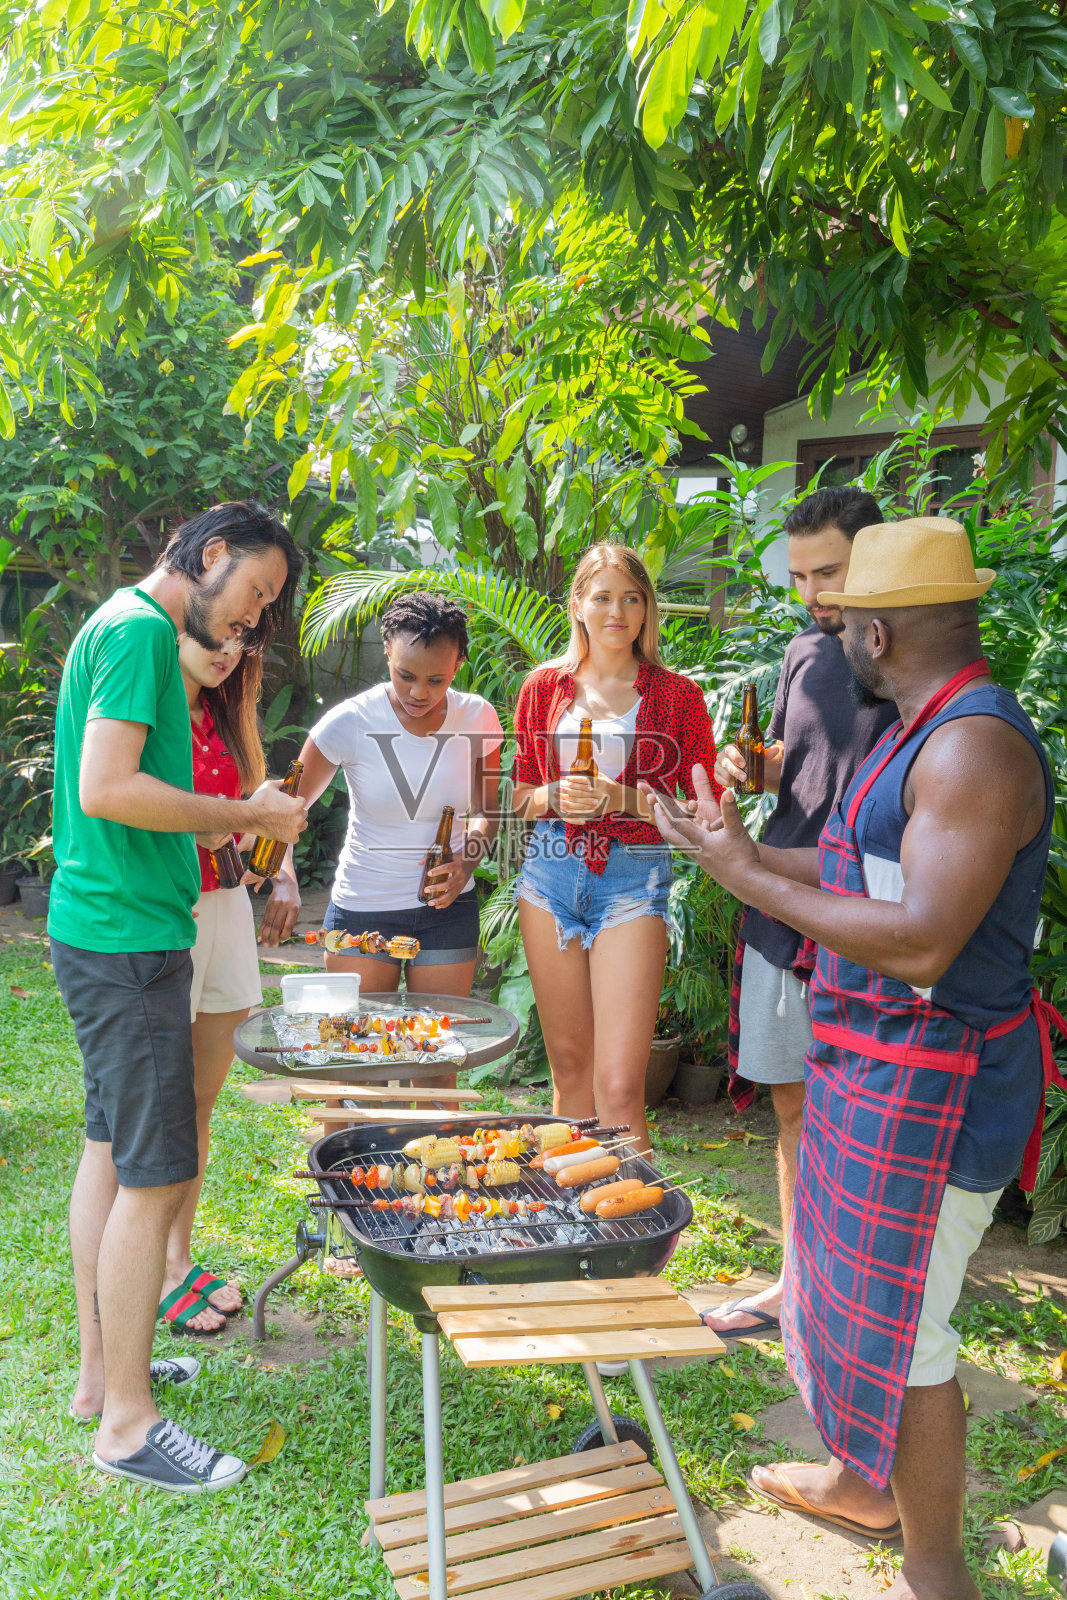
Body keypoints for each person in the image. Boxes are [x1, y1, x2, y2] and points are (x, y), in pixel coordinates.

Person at [646, 517, 1062, 1600]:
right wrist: (740, 850)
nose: (825, 633)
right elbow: (859, 866)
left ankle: (936, 1572)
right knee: (842, 1300)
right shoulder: (917, 725)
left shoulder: (971, 746)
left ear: (874, 634)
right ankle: (854, 1481)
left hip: (939, 1083)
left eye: (838, 619)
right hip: (873, 1066)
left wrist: (746, 882)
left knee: (907, 1331)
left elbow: (921, 938)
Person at [52, 502, 308, 1492]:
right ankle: (127, 1426)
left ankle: (100, 1380)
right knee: (154, 1176)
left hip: (113, 924)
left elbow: (139, 799)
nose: (254, 617)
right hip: (129, 937)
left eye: (268, 606)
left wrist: (218, 826)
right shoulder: (138, 632)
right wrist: (243, 810)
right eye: (255, 591)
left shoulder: (130, 628)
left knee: (110, 1153)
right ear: (211, 555)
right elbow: (105, 787)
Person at [706, 486, 898, 1339]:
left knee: (865, 1116)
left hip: (866, 911)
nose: (811, 593)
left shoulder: (910, 658)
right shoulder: (801, 651)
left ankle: (863, 1294)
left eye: (828, 572)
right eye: (798, 576)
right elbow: (787, 766)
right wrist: (747, 768)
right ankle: (796, 1283)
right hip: (778, 898)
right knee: (790, 1103)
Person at [511, 542, 720, 1155]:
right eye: (602, 597)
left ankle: (633, 1214)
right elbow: (520, 799)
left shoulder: (678, 697)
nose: (617, 612)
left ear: (647, 609)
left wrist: (618, 797)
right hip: (549, 878)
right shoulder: (542, 688)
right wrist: (552, 795)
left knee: (621, 1087)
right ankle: (569, 1211)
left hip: (633, 880)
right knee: (570, 1071)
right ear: (577, 605)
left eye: (632, 598)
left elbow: (699, 812)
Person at [269, 593, 503, 1019]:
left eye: (437, 680)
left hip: (447, 910)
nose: (419, 692)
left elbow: (487, 811)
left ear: (458, 665)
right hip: (363, 908)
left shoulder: (477, 718)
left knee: (438, 1047)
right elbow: (284, 807)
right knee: (357, 1046)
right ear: (387, 653)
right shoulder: (350, 721)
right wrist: (285, 880)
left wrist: (466, 865)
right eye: (405, 675)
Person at [156, 629, 296, 1335]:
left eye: (242, 638)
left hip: (226, 906)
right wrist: (203, 829)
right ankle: (152, 1269)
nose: (226, 649)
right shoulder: (144, 708)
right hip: (164, 910)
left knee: (200, 1101)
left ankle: (178, 1257)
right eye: (213, 633)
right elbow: (119, 810)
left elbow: (245, 820)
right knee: (159, 1104)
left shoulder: (223, 715)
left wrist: (272, 850)